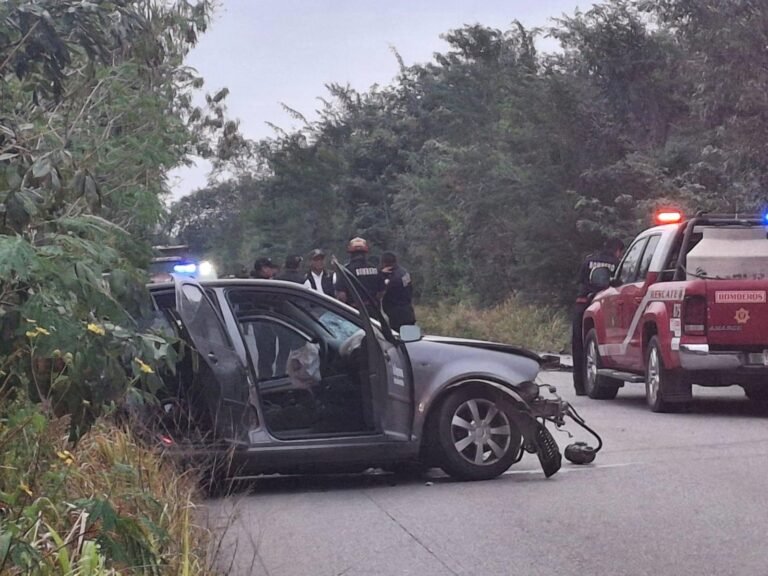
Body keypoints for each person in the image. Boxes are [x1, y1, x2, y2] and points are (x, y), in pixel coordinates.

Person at [572, 237, 624, 395]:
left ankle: (580, 387)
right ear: (618, 250)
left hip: (583, 302)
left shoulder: (589, 260)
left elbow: (580, 281)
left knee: (579, 344)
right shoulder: (617, 264)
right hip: (606, 305)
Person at [336, 237, 385, 317]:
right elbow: (381, 292)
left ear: (350, 253)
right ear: (365, 253)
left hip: (354, 312)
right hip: (373, 312)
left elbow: (342, 296)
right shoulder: (375, 269)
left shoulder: (346, 271)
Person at [380, 251, 416, 331]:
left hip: (397, 317)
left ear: (385, 264)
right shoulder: (404, 272)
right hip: (408, 312)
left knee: (400, 341)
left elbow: (381, 291)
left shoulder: (393, 279)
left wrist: (381, 274)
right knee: (411, 339)